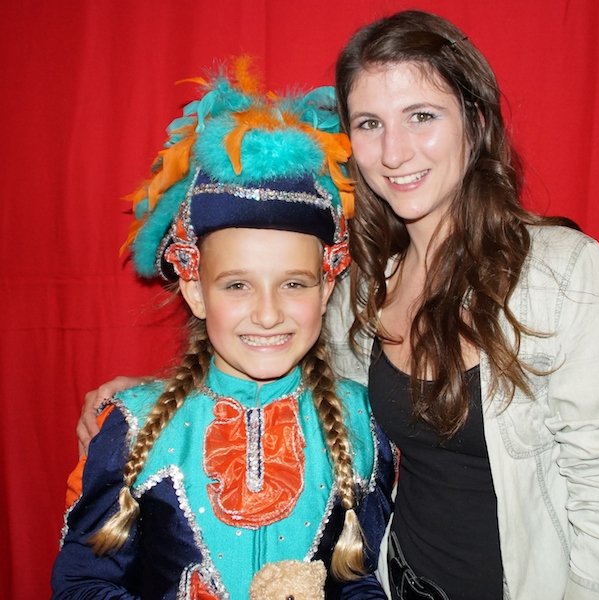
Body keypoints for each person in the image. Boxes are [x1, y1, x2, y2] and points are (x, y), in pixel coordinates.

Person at [78, 10, 599, 600]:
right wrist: (146, 407)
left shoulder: (563, 273)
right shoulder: (360, 288)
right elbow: (276, 362)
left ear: (475, 121)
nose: (395, 152)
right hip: (391, 584)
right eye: (370, 124)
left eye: (422, 116)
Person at [53, 59, 394, 599]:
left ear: (327, 287)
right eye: (237, 285)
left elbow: (361, 580)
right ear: (195, 289)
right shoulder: (135, 426)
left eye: (294, 284)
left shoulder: (362, 421)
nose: (267, 314)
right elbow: (82, 581)